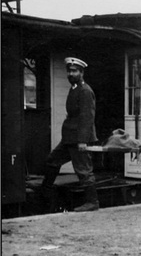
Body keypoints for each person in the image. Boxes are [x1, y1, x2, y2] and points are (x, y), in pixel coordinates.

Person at [41, 57, 100, 212]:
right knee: (52, 160)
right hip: (69, 138)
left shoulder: (85, 91)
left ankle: (92, 202)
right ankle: (45, 192)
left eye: (74, 71)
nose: (71, 73)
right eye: (69, 71)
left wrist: (82, 141)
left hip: (79, 138)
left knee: (83, 169)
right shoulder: (74, 88)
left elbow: (87, 118)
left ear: (81, 73)